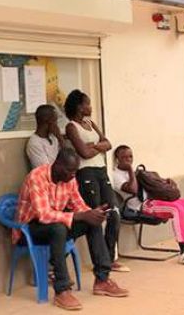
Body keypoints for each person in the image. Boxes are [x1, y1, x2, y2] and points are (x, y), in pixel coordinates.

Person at [15, 148, 129, 310]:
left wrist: (92, 213)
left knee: (92, 222)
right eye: (70, 170)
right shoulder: (37, 177)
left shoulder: (70, 179)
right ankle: (62, 290)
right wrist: (79, 216)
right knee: (58, 229)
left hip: (56, 224)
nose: (73, 175)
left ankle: (102, 279)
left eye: (75, 171)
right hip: (29, 229)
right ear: (58, 165)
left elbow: (78, 205)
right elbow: (43, 215)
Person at [64, 89, 128, 273]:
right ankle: (100, 263)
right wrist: (99, 147)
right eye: (87, 103)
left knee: (114, 213)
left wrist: (95, 146)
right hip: (86, 174)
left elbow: (108, 143)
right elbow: (83, 153)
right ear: (79, 106)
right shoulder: (71, 127)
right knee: (95, 216)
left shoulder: (90, 123)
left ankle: (109, 257)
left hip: (101, 171)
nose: (90, 107)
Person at [26, 104, 63, 169]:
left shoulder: (53, 137)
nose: (56, 124)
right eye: (55, 120)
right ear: (48, 121)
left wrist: (60, 138)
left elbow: (66, 158)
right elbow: (46, 169)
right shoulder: (34, 143)